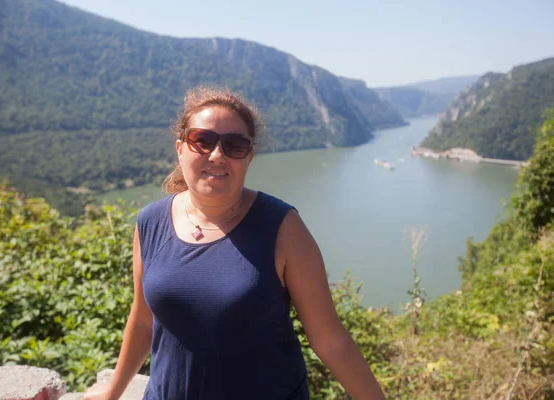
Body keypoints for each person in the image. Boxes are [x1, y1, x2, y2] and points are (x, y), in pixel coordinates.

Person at [84, 87, 385, 400]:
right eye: (202, 140)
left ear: (249, 157)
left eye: (235, 145)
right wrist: (113, 390)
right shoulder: (150, 222)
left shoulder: (282, 227)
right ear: (180, 148)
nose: (217, 155)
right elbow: (144, 320)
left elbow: (330, 339)